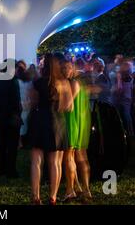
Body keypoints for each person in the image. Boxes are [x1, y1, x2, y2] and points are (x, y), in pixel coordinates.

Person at [27, 53, 70, 205]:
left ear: (44, 66)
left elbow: (32, 103)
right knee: (55, 163)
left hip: (39, 120)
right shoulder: (63, 83)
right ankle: (52, 197)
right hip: (57, 121)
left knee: (36, 161)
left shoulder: (37, 82)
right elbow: (68, 106)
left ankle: (35, 197)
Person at [62, 60, 92, 202]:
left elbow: (68, 105)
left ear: (73, 69)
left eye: (68, 67)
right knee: (74, 157)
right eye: (63, 68)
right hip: (74, 122)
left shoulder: (73, 83)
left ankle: (83, 189)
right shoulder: (72, 82)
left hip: (73, 123)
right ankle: (78, 187)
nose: (65, 70)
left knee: (78, 157)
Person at [0, 60, 22, 179]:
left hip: (0, 117)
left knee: (1, 143)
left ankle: (0, 168)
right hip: (11, 117)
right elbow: (16, 101)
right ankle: (11, 170)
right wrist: (17, 113)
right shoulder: (13, 81)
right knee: (12, 145)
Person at [17, 67, 32, 148]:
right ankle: (25, 141)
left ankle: (20, 143)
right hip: (28, 104)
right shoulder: (29, 82)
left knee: (20, 124)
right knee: (26, 123)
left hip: (21, 104)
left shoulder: (17, 82)